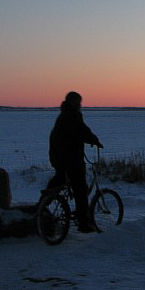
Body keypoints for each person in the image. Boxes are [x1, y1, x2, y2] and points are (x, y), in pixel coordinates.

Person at [47, 91, 103, 232]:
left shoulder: (64, 114)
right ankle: (83, 223)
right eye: (78, 102)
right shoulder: (72, 115)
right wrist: (94, 140)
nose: (79, 104)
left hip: (58, 156)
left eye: (80, 102)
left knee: (60, 179)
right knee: (80, 189)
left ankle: (42, 204)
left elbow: (78, 132)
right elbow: (81, 131)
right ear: (72, 102)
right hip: (69, 157)